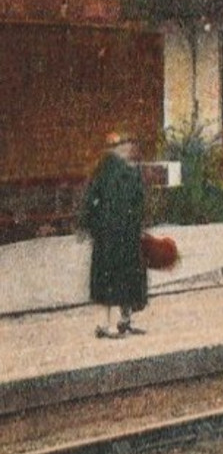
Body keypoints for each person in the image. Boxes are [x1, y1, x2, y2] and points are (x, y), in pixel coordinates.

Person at [83, 132, 149, 338]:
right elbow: (92, 201)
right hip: (110, 236)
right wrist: (94, 227)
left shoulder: (131, 171)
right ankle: (105, 324)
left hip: (127, 234)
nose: (126, 149)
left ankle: (125, 320)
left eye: (128, 144)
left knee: (128, 276)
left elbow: (139, 201)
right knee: (110, 278)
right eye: (121, 145)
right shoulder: (105, 171)